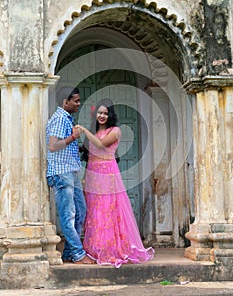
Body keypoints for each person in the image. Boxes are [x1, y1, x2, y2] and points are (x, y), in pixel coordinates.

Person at [77, 98, 154, 268]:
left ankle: (110, 248)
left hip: (107, 173)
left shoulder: (116, 131)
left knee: (108, 208)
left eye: (105, 113)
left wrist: (84, 130)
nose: (102, 116)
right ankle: (95, 248)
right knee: (94, 209)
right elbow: (90, 149)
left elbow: (101, 144)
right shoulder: (94, 131)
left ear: (110, 115)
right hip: (93, 173)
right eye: (99, 112)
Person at [46, 86, 95, 264]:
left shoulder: (66, 118)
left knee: (81, 211)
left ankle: (68, 253)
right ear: (65, 102)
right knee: (69, 215)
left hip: (71, 172)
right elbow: (53, 146)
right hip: (61, 173)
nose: (78, 104)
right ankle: (78, 253)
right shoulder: (59, 119)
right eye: (75, 101)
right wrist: (73, 138)